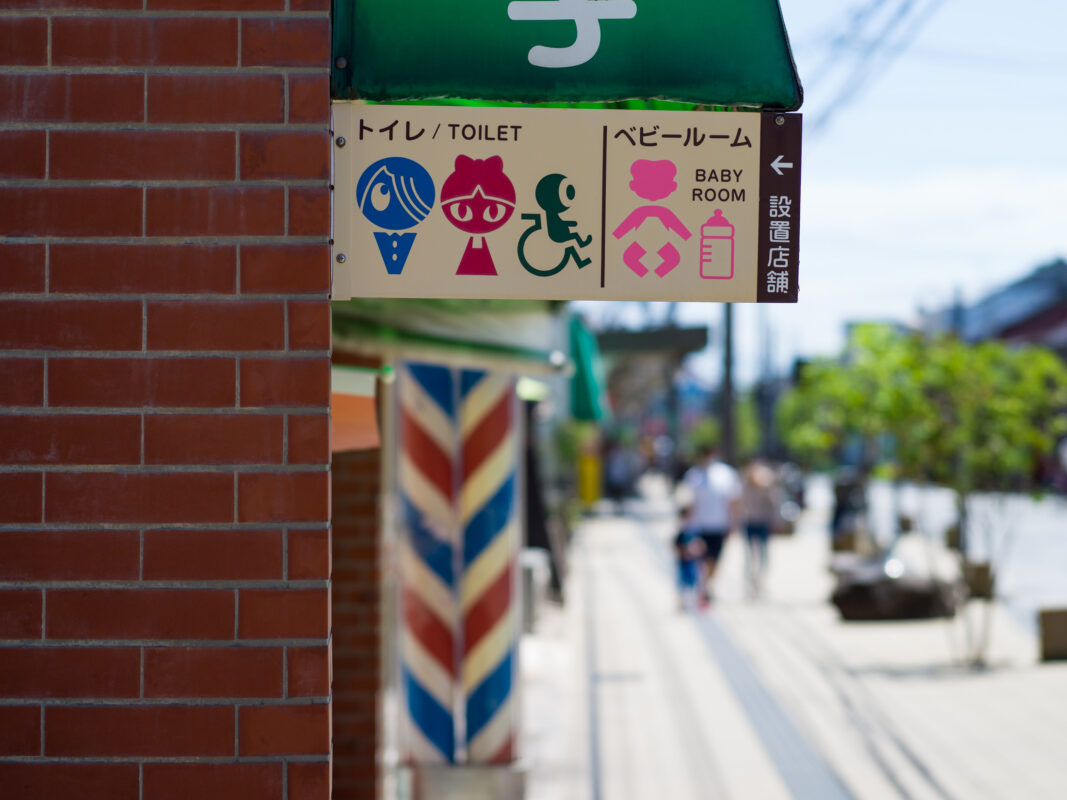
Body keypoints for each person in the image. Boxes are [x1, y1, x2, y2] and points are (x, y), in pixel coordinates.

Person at [678, 444, 741, 605]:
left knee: (715, 559)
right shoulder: (693, 475)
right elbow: (686, 500)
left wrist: (733, 522)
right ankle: (702, 587)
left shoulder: (725, 473)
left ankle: (707, 585)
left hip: (718, 524)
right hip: (698, 525)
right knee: (700, 558)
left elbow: (733, 500)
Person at [740, 459, 780, 598]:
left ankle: (760, 582)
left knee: (763, 555)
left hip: (763, 522)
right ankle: (750, 583)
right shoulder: (745, 484)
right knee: (750, 556)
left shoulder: (767, 485)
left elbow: (773, 503)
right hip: (750, 522)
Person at [673, 527, 705, 610]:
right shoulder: (682, 534)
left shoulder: (697, 533)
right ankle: (683, 602)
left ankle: (694, 602)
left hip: (693, 561)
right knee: (684, 583)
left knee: (694, 582)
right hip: (684, 561)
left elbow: (702, 546)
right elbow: (675, 545)